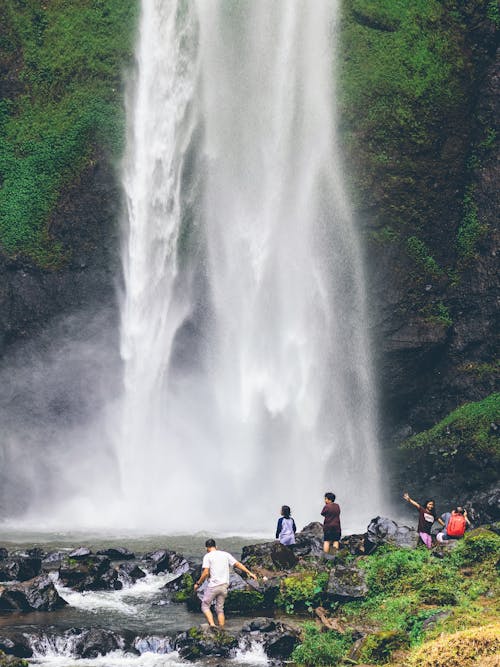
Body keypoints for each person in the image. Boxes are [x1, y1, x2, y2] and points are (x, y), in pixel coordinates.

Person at [193, 538, 257, 629]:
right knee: (219, 609)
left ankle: (212, 625)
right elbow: (237, 564)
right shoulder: (225, 554)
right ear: (216, 546)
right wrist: (250, 573)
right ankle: (222, 629)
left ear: (206, 548)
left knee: (205, 605)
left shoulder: (208, 556)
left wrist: (198, 583)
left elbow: (206, 572)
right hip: (224, 586)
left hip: (213, 586)